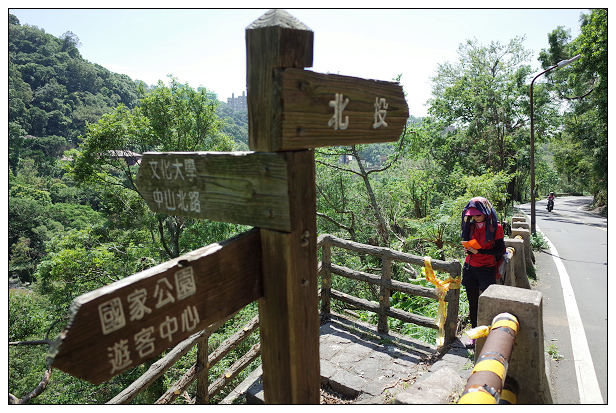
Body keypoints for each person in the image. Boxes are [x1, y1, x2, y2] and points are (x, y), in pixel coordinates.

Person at [460, 196, 505, 346]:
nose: (475, 218)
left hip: (486, 268)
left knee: (488, 302)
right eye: (472, 215)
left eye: (477, 214)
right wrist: (468, 248)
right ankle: (474, 334)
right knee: (473, 303)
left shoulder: (495, 227)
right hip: (469, 267)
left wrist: (481, 253)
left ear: (486, 212)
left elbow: (500, 250)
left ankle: (491, 333)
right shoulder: (470, 227)